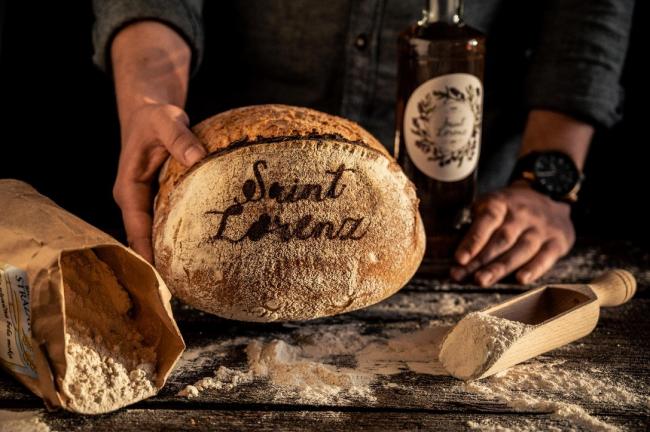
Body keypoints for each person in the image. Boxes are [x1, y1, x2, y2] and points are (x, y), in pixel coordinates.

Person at [91, 0, 635, 286]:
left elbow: (588, 10)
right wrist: (148, 103)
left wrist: (547, 180)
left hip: (469, 228)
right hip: (216, 188)